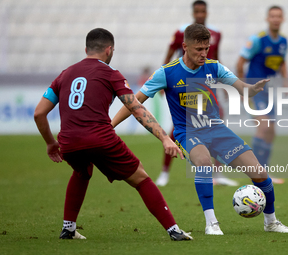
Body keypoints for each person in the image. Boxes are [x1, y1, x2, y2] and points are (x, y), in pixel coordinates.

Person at [112, 23, 288, 235]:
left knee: (260, 173)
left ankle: (271, 222)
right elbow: (134, 102)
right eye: (198, 49)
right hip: (187, 132)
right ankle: (211, 223)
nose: (203, 53)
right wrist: (110, 126)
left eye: (206, 48)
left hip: (217, 130)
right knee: (204, 162)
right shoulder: (167, 73)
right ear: (185, 47)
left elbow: (242, 88)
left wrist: (252, 89)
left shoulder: (214, 67)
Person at [33, 28, 193, 241]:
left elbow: (39, 113)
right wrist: (164, 138)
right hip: (101, 138)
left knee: (82, 171)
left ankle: (68, 229)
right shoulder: (111, 73)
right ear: (109, 50)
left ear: (86, 49)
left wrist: (51, 143)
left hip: (68, 142)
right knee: (141, 178)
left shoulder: (65, 74)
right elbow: (136, 108)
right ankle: (174, 231)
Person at [156, 0, 238, 187]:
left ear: (207, 12)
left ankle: (218, 173)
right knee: (179, 128)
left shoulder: (216, 34)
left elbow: (216, 59)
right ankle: (165, 171)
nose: (200, 14)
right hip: (185, 83)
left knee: (218, 123)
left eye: (203, 11)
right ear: (193, 13)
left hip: (207, 84)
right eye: (197, 11)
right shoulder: (181, 33)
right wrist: (163, 81)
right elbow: (169, 57)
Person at [236, 5, 288, 185]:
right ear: (267, 19)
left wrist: (286, 81)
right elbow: (240, 61)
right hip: (254, 90)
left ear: (283, 19)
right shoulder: (257, 40)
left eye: (278, 16)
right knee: (263, 126)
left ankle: (263, 171)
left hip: (269, 92)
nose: (275, 19)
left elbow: (282, 62)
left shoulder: (283, 42)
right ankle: (256, 172)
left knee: (271, 131)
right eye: (272, 16)